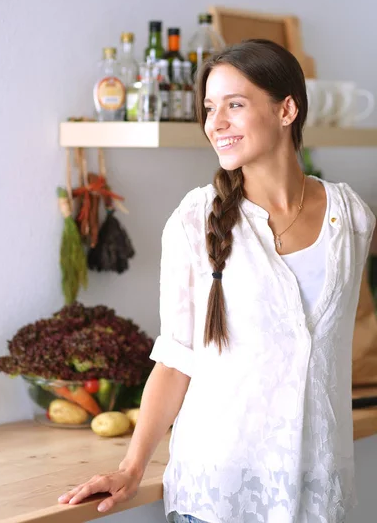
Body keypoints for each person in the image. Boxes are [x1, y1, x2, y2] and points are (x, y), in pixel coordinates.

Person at [58, 40, 376, 523]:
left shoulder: (350, 217)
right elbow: (175, 359)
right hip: (218, 498)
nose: (216, 123)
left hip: (317, 496)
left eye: (235, 105)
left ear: (287, 108)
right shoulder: (193, 221)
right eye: (209, 108)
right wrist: (131, 467)